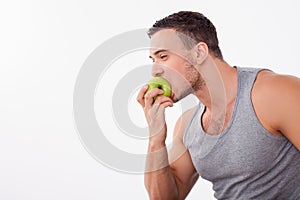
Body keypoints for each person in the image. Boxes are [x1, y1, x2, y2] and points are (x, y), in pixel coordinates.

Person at [136, 11, 300, 200]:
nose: (155, 70)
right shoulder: (187, 125)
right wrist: (156, 138)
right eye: (153, 60)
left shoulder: (273, 92)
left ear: (199, 53)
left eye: (163, 56)